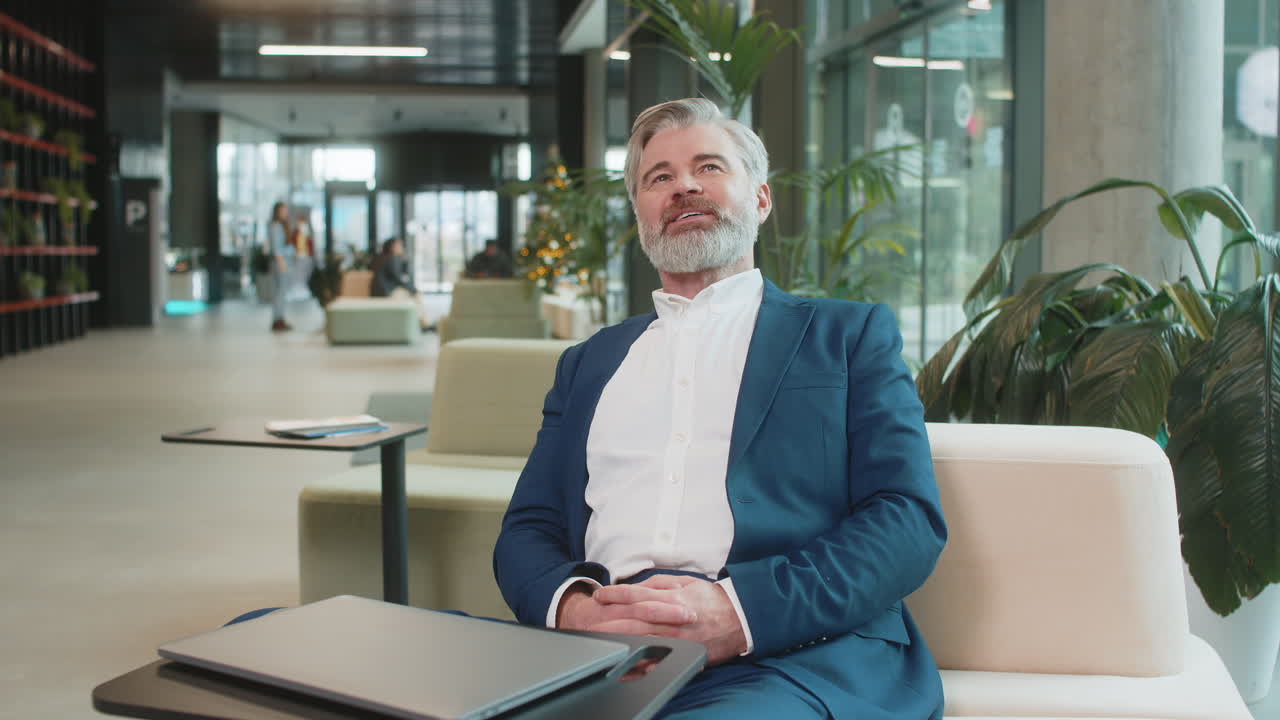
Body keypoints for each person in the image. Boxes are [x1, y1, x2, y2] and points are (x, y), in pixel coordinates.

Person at [492, 98, 947, 718]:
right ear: (642, 216)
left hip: (783, 655)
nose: (683, 186)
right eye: (660, 177)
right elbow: (527, 529)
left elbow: (906, 519)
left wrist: (738, 614)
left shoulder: (848, 337)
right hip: (597, 652)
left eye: (708, 167)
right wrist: (574, 609)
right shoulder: (588, 362)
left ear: (760, 200)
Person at [370, 237, 433, 331]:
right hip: (387, 293)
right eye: (399, 246)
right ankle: (424, 323)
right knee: (415, 296)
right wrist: (414, 290)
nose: (401, 248)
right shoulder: (392, 259)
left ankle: (422, 322)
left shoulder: (380, 257)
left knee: (413, 296)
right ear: (391, 247)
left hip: (378, 293)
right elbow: (400, 279)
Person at [267, 201, 294, 332]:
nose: (285, 213)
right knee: (280, 292)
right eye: (283, 210)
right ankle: (277, 320)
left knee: (281, 292)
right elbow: (276, 248)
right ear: (277, 211)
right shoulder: (275, 226)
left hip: (283, 261)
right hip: (280, 262)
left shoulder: (282, 225)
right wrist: (281, 264)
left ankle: (280, 318)